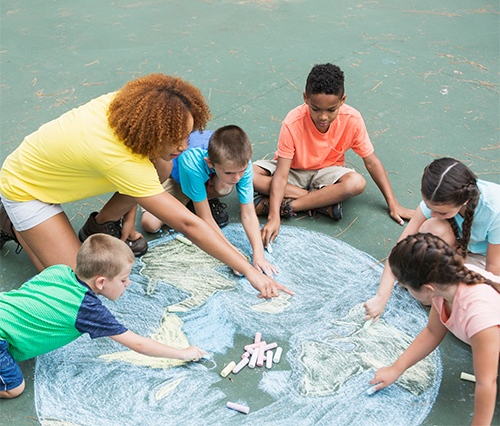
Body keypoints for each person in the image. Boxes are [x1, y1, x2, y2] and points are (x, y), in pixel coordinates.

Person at [0, 73, 292, 299]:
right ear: (152, 130)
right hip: (27, 190)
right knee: (82, 288)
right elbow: (189, 224)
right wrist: (248, 269)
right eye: (176, 138)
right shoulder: (117, 157)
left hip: (59, 172)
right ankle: (9, 222)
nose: (183, 145)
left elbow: (138, 178)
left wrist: (128, 218)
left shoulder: (132, 111)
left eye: (188, 135)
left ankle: (101, 226)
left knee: (163, 165)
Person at [0, 234, 207, 399]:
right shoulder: (87, 309)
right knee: (14, 388)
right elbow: (139, 344)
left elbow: (28, 295)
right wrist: (183, 353)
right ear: (100, 283)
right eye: (124, 280)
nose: (128, 284)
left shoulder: (59, 271)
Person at [253, 63, 413, 247]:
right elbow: (281, 174)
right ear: (305, 98)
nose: (323, 117)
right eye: (315, 109)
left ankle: (290, 205)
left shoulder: (352, 119)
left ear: (342, 100)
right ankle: (322, 202)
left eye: (331, 110)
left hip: (327, 174)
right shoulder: (293, 121)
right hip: (293, 171)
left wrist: (393, 204)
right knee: (248, 174)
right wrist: (273, 218)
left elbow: (371, 162)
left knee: (356, 183)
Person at [369, 233, 500, 426]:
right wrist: (395, 369)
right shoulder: (446, 284)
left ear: (428, 289)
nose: (401, 288)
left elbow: (486, 383)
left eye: (405, 286)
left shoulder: (478, 315)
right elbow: (432, 332)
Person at [364, 157, 500, 321]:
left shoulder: (494, 208)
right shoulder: (440, 196)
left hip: (490, 261)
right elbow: (400, 248)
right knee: (431, 228)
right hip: (464, 249)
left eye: (442, 212)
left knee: (439, 295)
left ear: (464, 201)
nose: (433, 215)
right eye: (429, 208)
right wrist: (381, 297)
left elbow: (493, 269)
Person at [142, 125, 278, 276]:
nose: (238, 177)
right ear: (210, 163)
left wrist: (259, 256)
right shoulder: (192, 162)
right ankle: (196, 200)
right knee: (150, 224)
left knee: (224, 185)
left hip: (207, 178)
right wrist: (236, 258)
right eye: (230, 172)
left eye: (242, 171)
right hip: (177, 177)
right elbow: (205, 218)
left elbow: (249, 214)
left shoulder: (241, 162)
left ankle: (201, 197)